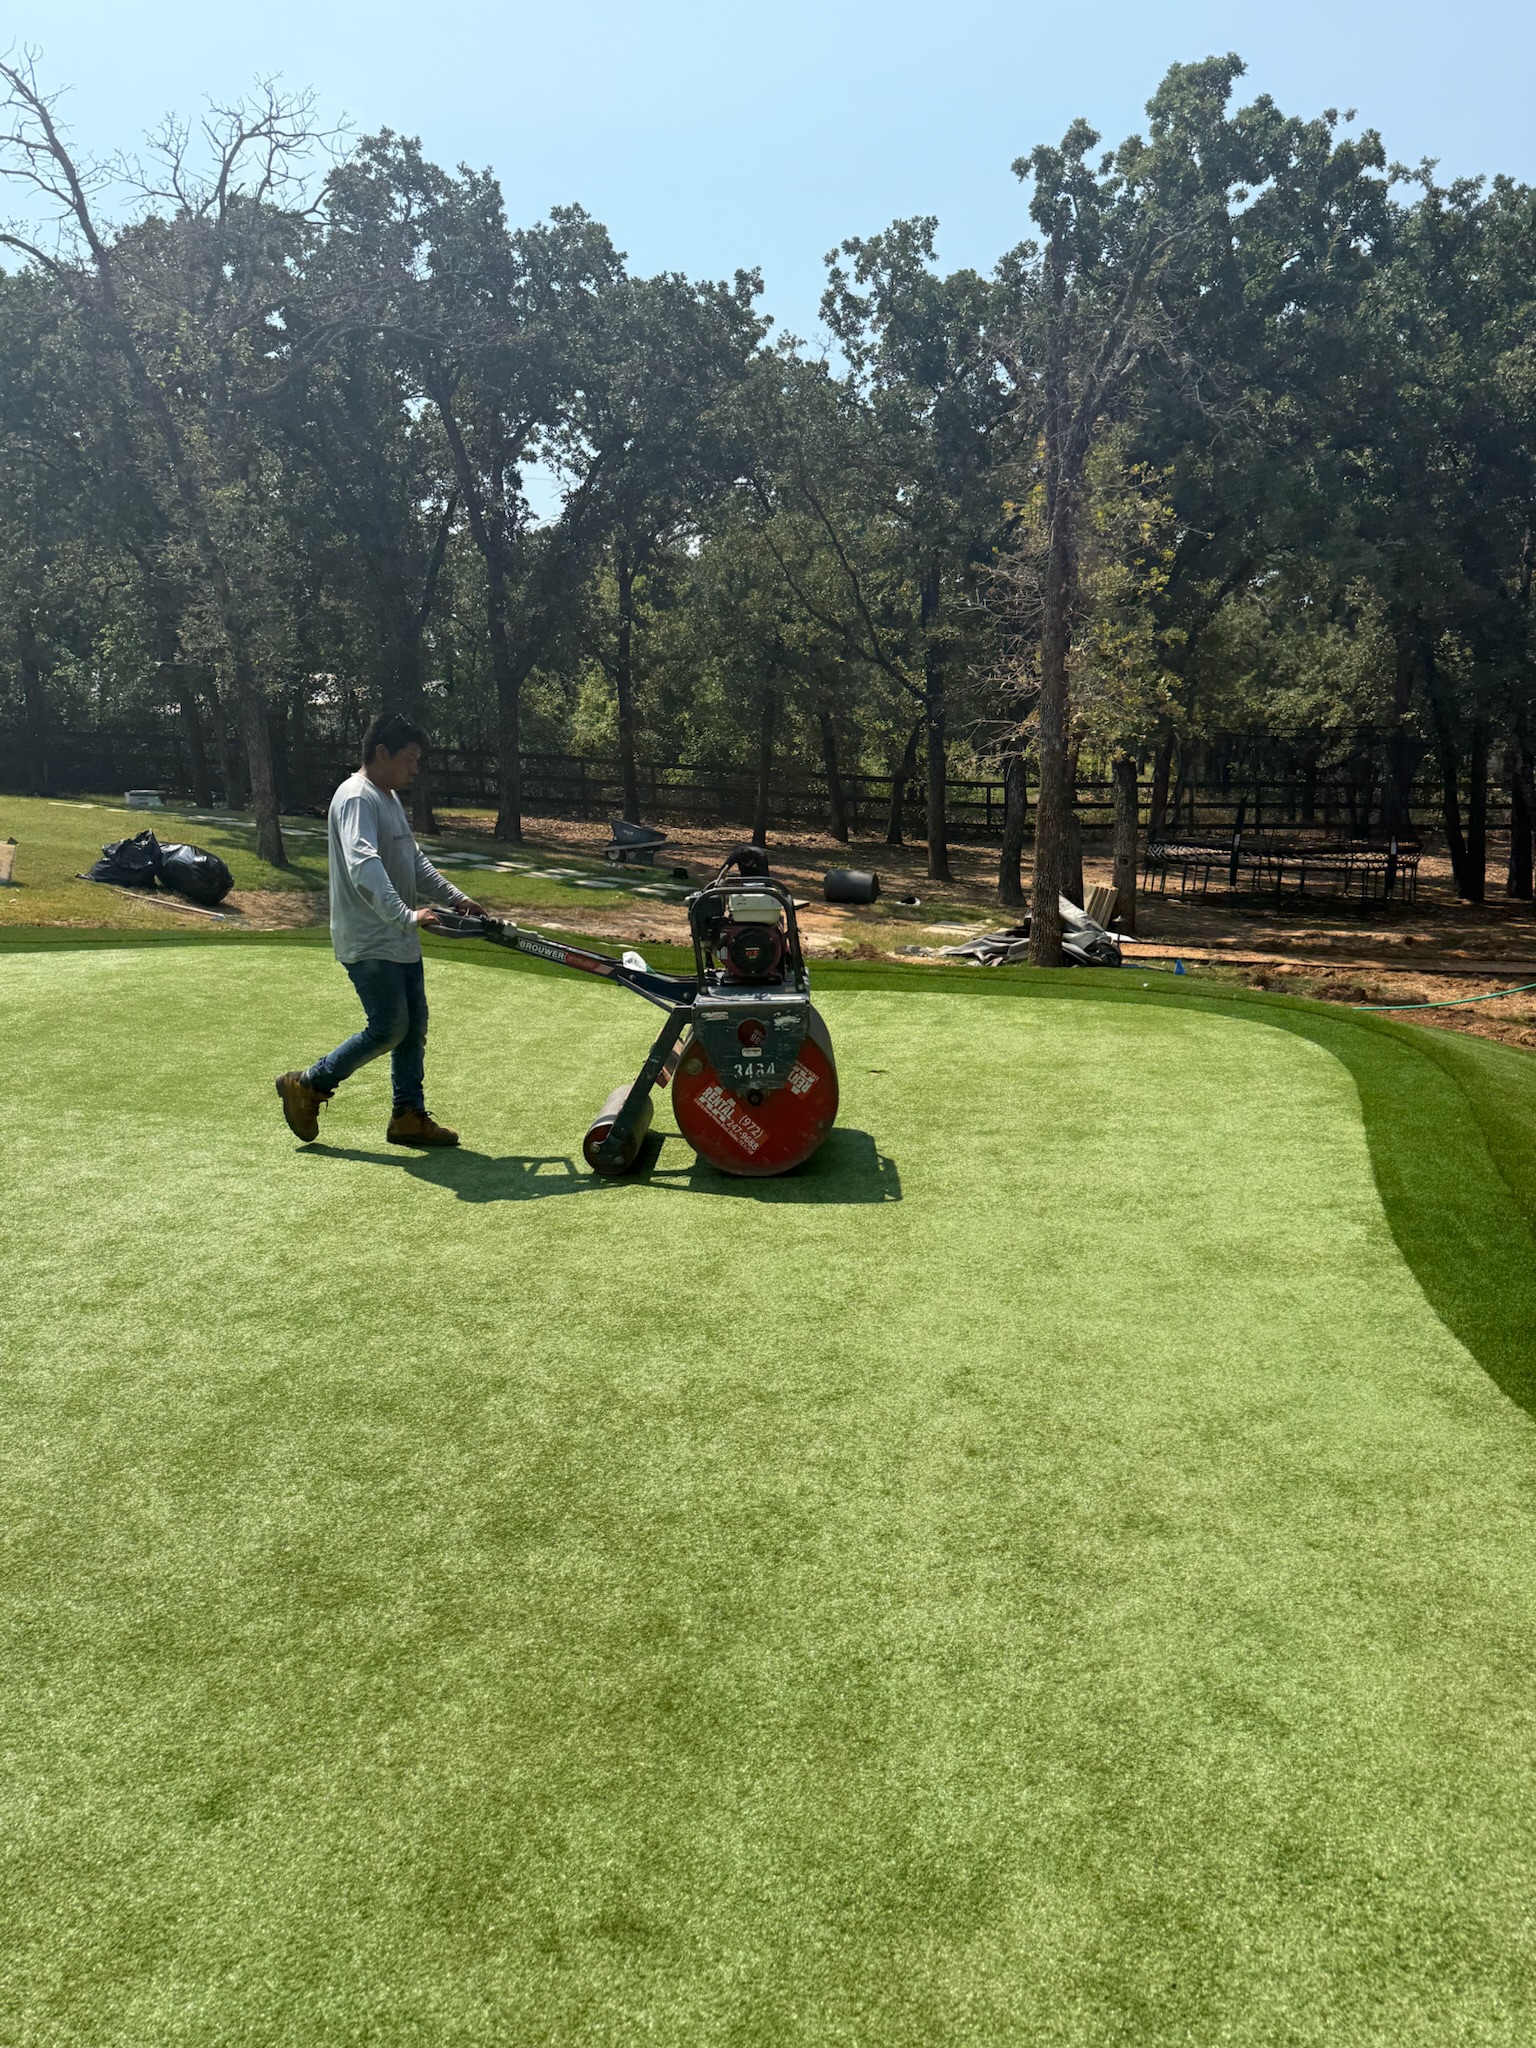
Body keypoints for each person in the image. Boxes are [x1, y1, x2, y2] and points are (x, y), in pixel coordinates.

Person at [274, 713, 487, 1148]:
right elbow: (363, 865)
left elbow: (413, 860)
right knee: (389, 1026)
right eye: (410, 758)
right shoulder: (356, 797)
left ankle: (407, 1115)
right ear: (381, 753)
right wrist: (405, 916)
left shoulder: (386, 797)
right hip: (370, 938)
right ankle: (309, 1083)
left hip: (397, 936)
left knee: (414, 1027)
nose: (416, 768)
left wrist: (455, 896)